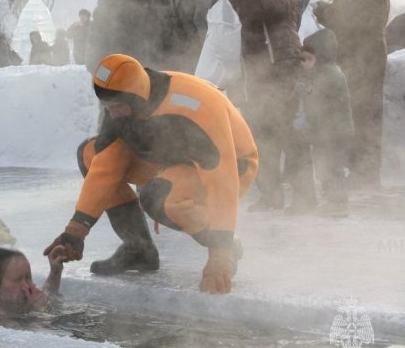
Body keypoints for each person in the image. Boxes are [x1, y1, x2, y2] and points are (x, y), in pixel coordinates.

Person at [44, 54, 259, 294]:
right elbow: (105, 167)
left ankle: (228, 246)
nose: (112, 114)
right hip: (171, 159)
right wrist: (76, 232)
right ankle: (139, 249)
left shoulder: (195, 106)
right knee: (91, 155)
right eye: (107, 107)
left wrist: (220, 252)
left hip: (233, 166)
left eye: (116, 107)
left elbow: (222, 179)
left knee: (160, 198)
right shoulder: (124, 102)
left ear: (135, 98)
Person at [219, 0, 317, 214]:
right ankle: (270, 195)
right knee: (261, 136)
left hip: (280, 64)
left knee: (288, 133)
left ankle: (305, 196)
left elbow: (276, 8)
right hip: (253, 70)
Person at [313, 0, 390, 189]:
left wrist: (323, 10)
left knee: (362, 116)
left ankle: (364, 174)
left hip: (363, 60)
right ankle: (361, 172)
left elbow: (345, 20)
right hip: (364, 58)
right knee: (360, 115)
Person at [296, 29, 354, 217]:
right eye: (302, 59)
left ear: (320, 57)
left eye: (308, 59)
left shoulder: (329, 75)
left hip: (333, 132)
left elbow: (317, 103)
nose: (305, 64)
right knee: (325, 167)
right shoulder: (324, 72)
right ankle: (333, 201)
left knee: (332, 168)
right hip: (327, 132)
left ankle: (338, 204)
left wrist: (304, 91)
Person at [0, 246, 66, 322]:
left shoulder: (12, 303)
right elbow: (27, 339)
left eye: (28, 278)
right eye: (18, 279)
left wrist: (55, 272)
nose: (27, 286)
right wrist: (40, 312)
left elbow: (47, 293)